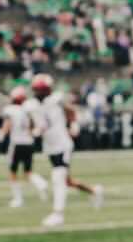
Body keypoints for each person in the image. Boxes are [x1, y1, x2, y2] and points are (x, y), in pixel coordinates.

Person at [32, 74, 104, 227]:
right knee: (66, 181)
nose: (36, 93)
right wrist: (37, 130)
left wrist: (73, 125)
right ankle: (94, 191)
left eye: (39, 90)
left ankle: (58, 214)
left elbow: (70, 110)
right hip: (51, 146)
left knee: (58, 178)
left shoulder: (55, 100)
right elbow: (43, 123)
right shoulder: (37, 105)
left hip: (62, 144)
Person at [0, 86, 48, 208]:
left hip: (17, 143)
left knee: (13, 172)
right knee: (28, 172)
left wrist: (1, 134)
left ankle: (18, 199)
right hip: (29, 143)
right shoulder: (28, 110)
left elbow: (7, 125)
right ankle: (41, 184)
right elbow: (34, 126)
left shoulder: (11, 110)